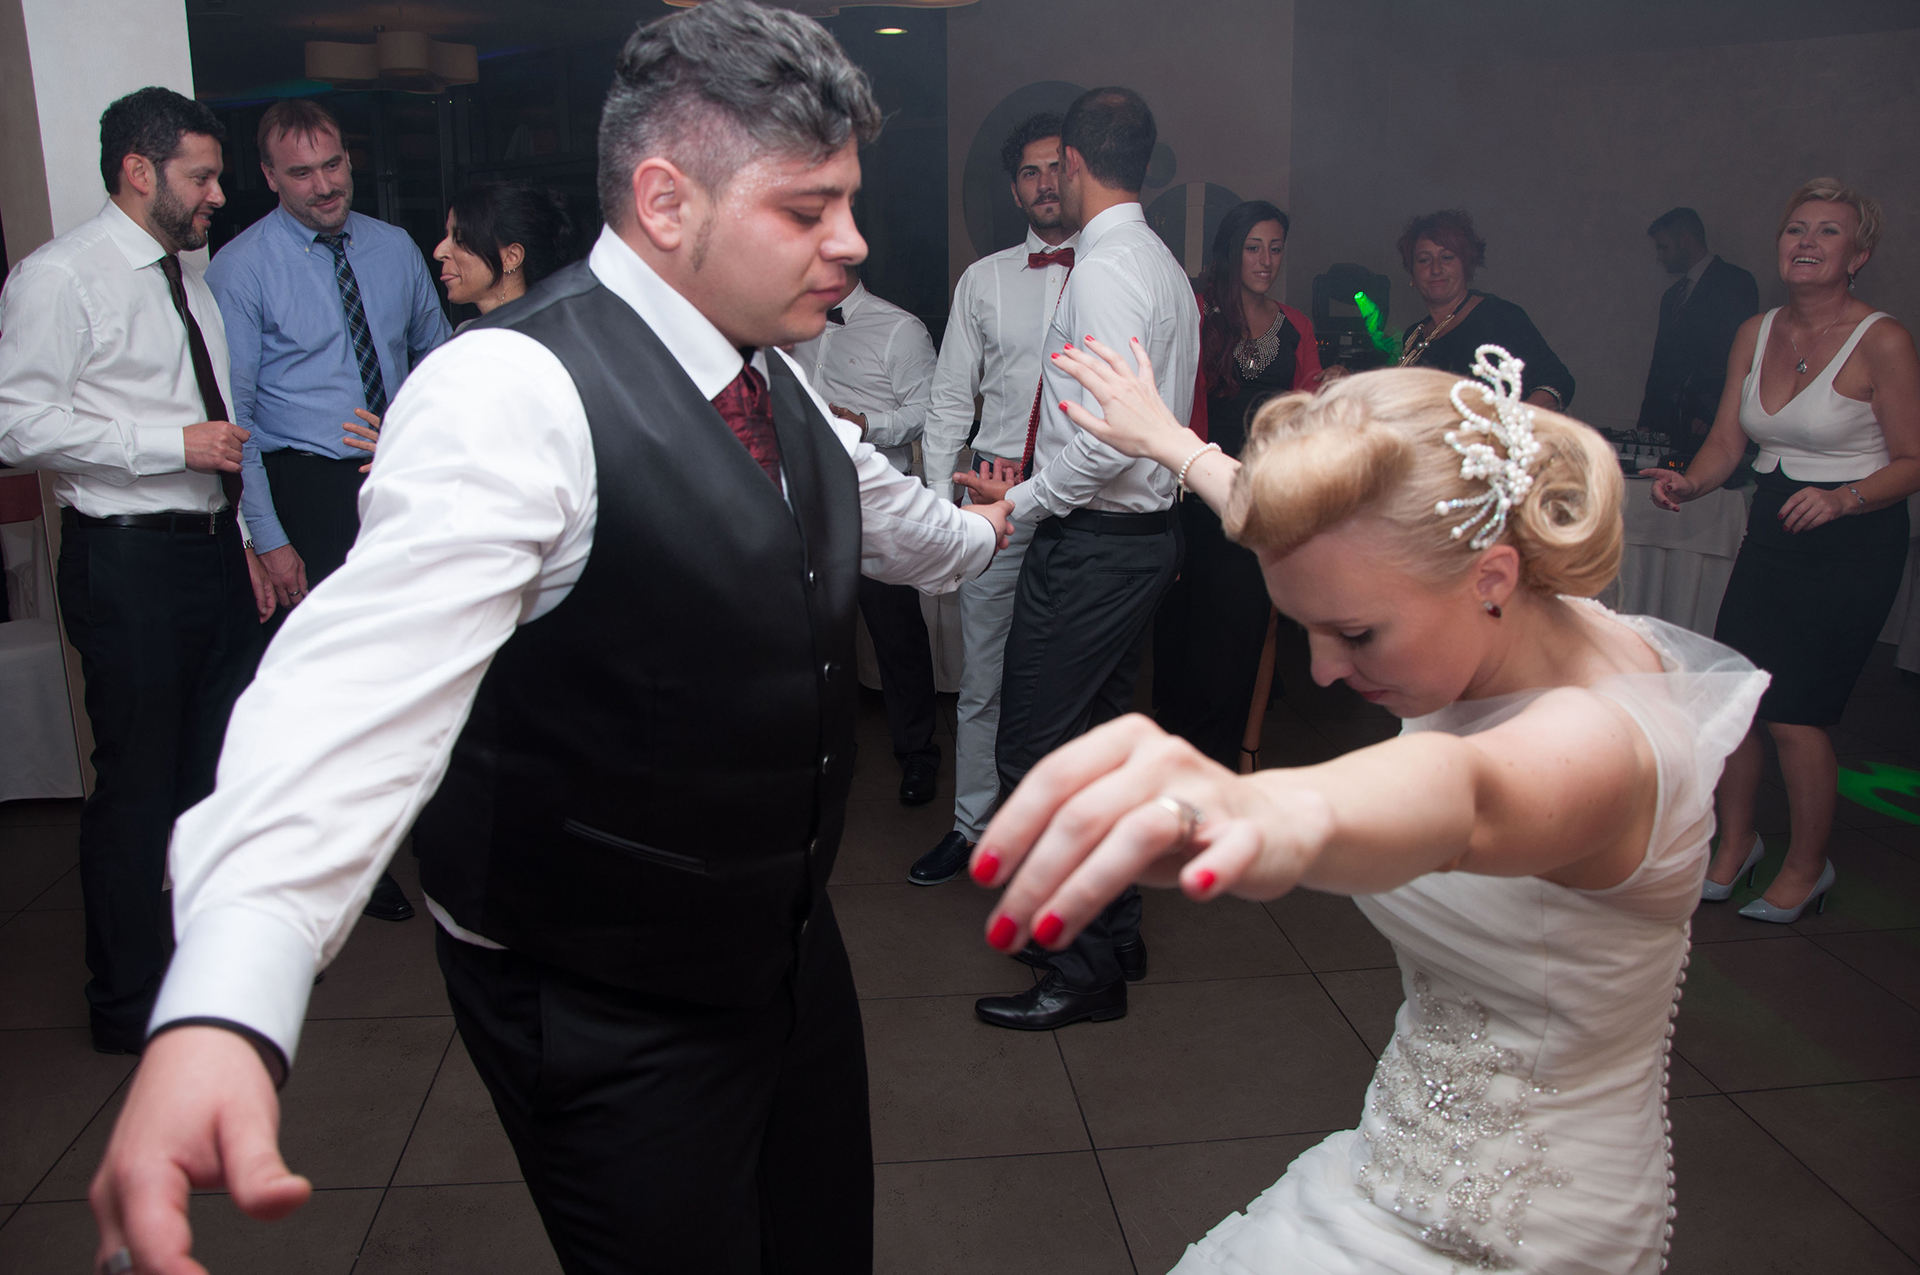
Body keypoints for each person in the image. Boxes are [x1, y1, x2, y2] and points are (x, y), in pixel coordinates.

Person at [85, 5, 1013, 1275]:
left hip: (786, 950)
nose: (851, 241)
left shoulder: (767, 376)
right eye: (809, 209)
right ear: (667, 201)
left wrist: (992, 529)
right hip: (598, 999)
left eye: (848, 202)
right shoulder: (507, 389)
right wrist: (225, 1006)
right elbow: (345, 700)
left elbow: (889, 518)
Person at [975, 332, 1768, 1274]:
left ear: (1490, 577)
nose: (1322, 668)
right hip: (1397, 1153)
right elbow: (1309, 537)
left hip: (1523, 1227)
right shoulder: (1481, 591)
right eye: (1306, 627)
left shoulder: (1597, 745)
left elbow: (1463, 793)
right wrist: (1173, 444)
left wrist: (1265, 809)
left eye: (1353, 634)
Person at [0, 87, 269, 1055]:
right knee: (139, 785)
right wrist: (169, 445)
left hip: (211, 554)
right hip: (127, 564)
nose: (217, 196)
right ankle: (125, 1003)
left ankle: (201, 976)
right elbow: (14, 425)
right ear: (138, 170)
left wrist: (244, 544)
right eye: (202, 177)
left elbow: (220, 420)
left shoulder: (187, 280)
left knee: (213, 775)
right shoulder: (59, 277)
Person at [953, 86, 1198, 1030]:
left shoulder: (1103, 270)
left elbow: (1103, 445)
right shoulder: (1158, 262)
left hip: (1095, 544)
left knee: (1034, 753)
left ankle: (1082, 969)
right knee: (1099, 748)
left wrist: (1017, 502)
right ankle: (1116, 933)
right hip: (1137, 542)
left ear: (1078, 167)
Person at [1646, 179, 1920, 921]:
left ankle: (1807, 865)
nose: (1807, 241)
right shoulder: (1756, 330)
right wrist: (1692, 482)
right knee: (1739, 697)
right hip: (1772, 528)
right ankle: (1736, 844)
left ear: (1857, 256)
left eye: (1828, 231)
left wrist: (1843, 497)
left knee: (1797, 712)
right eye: (1797, 228)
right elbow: (1726, 441)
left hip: (1854, 538)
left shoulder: (1883, 340)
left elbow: (1912, 459)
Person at [207, 98, 451, 922]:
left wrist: (415, 431)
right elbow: (233, 418)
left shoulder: (394, 247)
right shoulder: (241, 268)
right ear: (269, 177)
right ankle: (350, 863)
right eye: (302, 172)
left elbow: (437, 356)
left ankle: (432, 834)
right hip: (308, 490)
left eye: (334, 164)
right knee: (333, 690)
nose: (324, 185)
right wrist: (269, 538)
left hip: (401, 478)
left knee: (416, 668)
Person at [910, 111, 1078, 885]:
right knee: (983, 678)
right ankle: (972, 826)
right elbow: (949, 399)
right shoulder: (983, 280)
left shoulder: (1112, 272)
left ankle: (1058, 839)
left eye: (1056, 168)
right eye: (1030, 172)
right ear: (1014, 190)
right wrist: (938, 518)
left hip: (1084, 500)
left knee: (1072, 680)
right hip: (997, 496)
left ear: (1077, 174)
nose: (1045, 184)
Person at [1154, 199, 1322, 771]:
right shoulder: (1197, 310)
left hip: (1259, 502)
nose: (1266, 260)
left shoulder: (1296, 327)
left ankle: (1225, 763)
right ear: (1231, 251)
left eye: (1276, 248)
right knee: (1186, 638)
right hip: (1193, 497)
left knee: (1241, 636)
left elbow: (1308, 413)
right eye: (1254, 247)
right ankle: (1177, 765)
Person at [791, 269, 942, 803]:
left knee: (897, 635)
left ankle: (918, 752)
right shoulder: (787, 321)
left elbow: (926, 412)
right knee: (813, 640)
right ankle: (827, 759)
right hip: (807, 502)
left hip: (875, 505)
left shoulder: (899, 329)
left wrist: (866, 422)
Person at [1394, 208, 1574, 410]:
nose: (1435, 269)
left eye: (1447, 257)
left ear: (1466, 265)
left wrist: (1512, 420)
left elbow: (1557, 380)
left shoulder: (1499, 316)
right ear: (1412, 274)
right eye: (1424, 260)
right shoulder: (1414, 335)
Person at [1636, 207, 1760, 464]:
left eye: (1663, 247)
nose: (1660, 257)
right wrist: (1648, 420)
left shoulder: (1735, 282)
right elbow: (1660, 361)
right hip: (1669, 424)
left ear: (1685, 241)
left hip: (1711, 422)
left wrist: (1708, 413)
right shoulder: (1672, 296)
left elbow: (1735, 355)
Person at [436, 181, 583, 331]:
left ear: (511, 257)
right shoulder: (466, 333)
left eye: (460, 239)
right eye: (447, 235)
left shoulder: (546, 335)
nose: (438, 253)